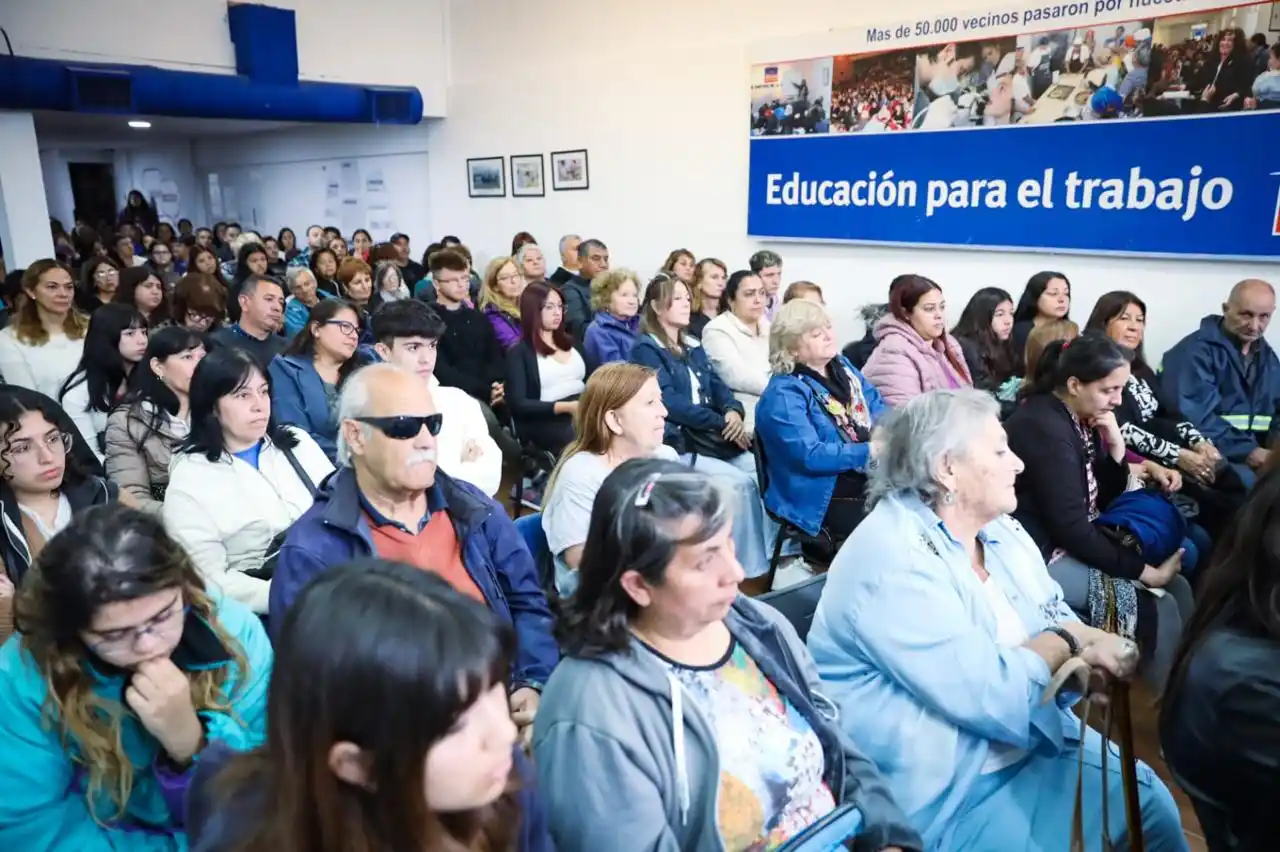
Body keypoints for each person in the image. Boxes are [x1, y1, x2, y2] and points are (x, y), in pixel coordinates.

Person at [806, 389, 1186, 850]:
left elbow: (1051, 611)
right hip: (950, 785)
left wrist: (1088, 644)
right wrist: (1069, 642)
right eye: (1000, 450)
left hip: (1022, 742)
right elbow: (994, 693)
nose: (1019, 464)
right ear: (947, 468)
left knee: (1152, 806)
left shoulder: (998, 529)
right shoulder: (892, 559)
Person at [533, 458, 923, 852]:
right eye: (705, 561)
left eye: (729, 544)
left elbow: (837, 746)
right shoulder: (590, 713)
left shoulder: (755, 623)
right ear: (638, 586)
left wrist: (889, 837)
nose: (736, 572)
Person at [270, 364, 558, 737]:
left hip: (505, 713)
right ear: (355, 436)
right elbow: (315, 686)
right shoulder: (314, 551)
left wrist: (532, 684)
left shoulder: (473, 509)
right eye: (404, 426)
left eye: (431, 424)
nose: (426, 440)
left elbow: (527, 602)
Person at [186, 560, 554, 852]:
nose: (505, 732)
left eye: (494, 692)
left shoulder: (504, 781)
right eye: (457, 725)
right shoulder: (239, 825)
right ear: (357, 764)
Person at [0, 505, 272, 849]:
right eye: (114, 635)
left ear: (184, 587)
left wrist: (193, 744)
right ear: (72, 631)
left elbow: (261, 783)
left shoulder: (235, 633)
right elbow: (34, 829)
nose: (148, 645)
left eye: (163, 615)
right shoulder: (20, 678)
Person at [1005, 335, 1195, 689]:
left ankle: (1180, 698)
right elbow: (1070, 526)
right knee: (1160, 606)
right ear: (1074, 384)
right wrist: (1145, 573)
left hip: (1072, 540)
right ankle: (1161, 720)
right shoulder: (1045, 428)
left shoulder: (1079, 417)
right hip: (1039, 558)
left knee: (1180, 588)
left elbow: (1102, 500)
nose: (1118, 401)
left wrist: (1116, 448)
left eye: (1121, 389)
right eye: (1110, 390)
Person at [1160, 467, 1280, 849]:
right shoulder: (1247, 680)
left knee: (1176, 580)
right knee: (1167, 590)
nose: (1114, 400)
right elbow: (1075, 525)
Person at [164, 347, 334, 614]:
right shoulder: (190, 478)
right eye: (243, 395)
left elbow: (340, 509)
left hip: (333, 578)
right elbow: (206, 578)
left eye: (263, 391)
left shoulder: (297, 443)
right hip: (265, 605)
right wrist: (288, 596)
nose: (259, 404)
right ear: (212, 407)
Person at [630, 273, 774, 589]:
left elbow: (720, 386)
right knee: (739, 486)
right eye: (677, 298)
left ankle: (776, 556)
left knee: (767, 471)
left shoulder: (692, 343)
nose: (686, 304)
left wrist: (733, 411)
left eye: (686, 297)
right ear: (656, 306)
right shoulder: (646, 349)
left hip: (715, 436)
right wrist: (722, 422)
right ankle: (749, 574)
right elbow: (672, 402)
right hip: (682, 441)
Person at [1087, 291, 1244, 534]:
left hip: (1170, 453)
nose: (1133, 327)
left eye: (1139, 320)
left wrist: (1199, 442)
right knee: (1210, 516)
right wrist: (1178, 455)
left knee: (1229, 481)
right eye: (1124, 319)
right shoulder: (1096, 371)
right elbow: (1123, 429)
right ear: (1103, 322)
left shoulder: (1142, 370)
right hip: (1142, 464)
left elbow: (1172, 413)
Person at [756, 299, 886, 546]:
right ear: (791, 349)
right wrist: (870, 450)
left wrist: (885, 432)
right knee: (898, 522)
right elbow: (811, 456)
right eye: (816, 333)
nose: (828, 336)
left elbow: (877, 405)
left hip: (861, 475)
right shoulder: (784, 393)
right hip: (819, 494)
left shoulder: (843, 367)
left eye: (828, 327)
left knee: (923, 499)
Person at [541, 363, 678, 597]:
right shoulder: (582, 473)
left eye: (660, 400)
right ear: (614, 420)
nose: (664, 411)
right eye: (650, 403)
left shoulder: (665, 456)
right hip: (602, 600)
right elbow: (580, 561)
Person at [0, 386, 119, 643]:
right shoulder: (4, 525)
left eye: (52, 439)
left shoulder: (106, 496)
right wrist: (7, 607)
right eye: (22, 448)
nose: (47, 457)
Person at [371, 300, 504, 496]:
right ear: (384, 351)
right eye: (413, 347)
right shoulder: (370, 408)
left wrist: (438, 480)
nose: (426, 358)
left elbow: (490, 476)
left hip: (469, 517)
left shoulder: (458, 400)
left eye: (432, 346)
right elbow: (395, 490)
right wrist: (465, 472)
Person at [1162, 278, 1280, 490]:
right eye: (1246, 314)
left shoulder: (1268, 358)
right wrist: (1250, 452)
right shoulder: (1193, 353)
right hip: (1209, 457)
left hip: (1256, 457)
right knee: (1251, 489)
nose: (1255, 326)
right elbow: (1194, 417)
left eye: (1264, 317)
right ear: (1226, 309)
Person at [105, 327, 206, 514]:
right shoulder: (128, 421)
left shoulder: (219, 409)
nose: (200, 366)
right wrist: (190, 520)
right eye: (188, 357)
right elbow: (131, 498)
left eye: (202, 357)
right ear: (158, 367)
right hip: (167, 525)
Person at [269, 299, 365, 463]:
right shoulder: (286, 370)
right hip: (318, 468)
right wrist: (352, 460)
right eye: (346, 326)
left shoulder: (362, 373)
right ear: (316, 329)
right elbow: (296, 433)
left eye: (356, 330)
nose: (354, 335)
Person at [862, 275, 973, 405]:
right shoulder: (894, 352)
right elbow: (907, 418)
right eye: (929, 309)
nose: (939, 315)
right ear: (905, 313)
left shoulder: (949, 343)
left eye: (942, 307)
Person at [58, 304, 149, 460]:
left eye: (144, 332)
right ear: (106, 338)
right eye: (130, 333)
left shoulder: (154, 375)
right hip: (113, 472)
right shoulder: (78, 394)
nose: (142, 341)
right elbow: (90, 455)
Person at [505, 283, 586, 459]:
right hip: (546, 419)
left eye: (560, 306)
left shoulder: (573, 343)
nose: (557, 312)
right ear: (533, 310)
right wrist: (566, 407)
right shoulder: (519, 352)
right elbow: (519, 404)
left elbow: (593, 378)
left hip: (582, 407)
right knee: (585, 438)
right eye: (549, 307)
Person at [0, 259, 88, 400]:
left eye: (69, 287)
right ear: (31, 291)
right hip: (49, 418)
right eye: (52, 287)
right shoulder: (8, 339)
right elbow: (27, 399)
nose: (63, 294)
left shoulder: (90, 327)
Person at [701, 269, 772, 433]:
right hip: (748, 415)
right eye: (749, 294)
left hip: (779, 403)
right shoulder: (716, 330)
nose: (758, 300)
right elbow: (737, 376)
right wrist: (782, 389)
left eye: (762, 293)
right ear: (731, 300)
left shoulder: (767, 326)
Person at [209, 275, 287, 368]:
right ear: (244, 302)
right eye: (269, 299)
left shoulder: (287, 349)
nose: (277, 307)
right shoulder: (218, 344)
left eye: (281, 302)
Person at [951, 286, 1018, 394]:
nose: (1008, 321)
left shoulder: (1000, 339)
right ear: (982, 317)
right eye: (1000, 314)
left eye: (1011, 313)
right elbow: (983, 393)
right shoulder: (967, 346)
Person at [582, 268, 641, 370]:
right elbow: (619, 373)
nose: (632, 301)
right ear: (606, 299)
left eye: (634, 295)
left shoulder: (642, 323)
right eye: (624, 295)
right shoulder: (598, 331)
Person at [1011, 271, 1072, 367]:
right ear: (1035, 297)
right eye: (1053, 294)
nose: (1062, 299)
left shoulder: (1071, 330)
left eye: (1066, 293)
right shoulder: (1021, 332)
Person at [562, 238, 608, 340]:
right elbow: (579, 330)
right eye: (596, 258)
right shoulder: (570, 290)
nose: (604, 264)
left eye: (606, 259)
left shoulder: (611, 287)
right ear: (579, 262)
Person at [479, 255, 526, 351]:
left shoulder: (525, 305)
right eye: (505, 278)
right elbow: (513, 345)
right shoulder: (492, 314)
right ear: (495, 286)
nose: (513, 281)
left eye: (516, 275)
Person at [687, 257, 727, 339]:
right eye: (714, 277)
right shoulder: (688, 319)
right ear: (699, 282)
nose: (721, 283)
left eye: (723, 278)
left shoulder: (732, 313)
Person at [748, 249, 784, 321]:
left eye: (779, 274)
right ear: (755, 276)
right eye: (769, 275)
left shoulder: (782, 303)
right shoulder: (747, 305)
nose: (776, 281)